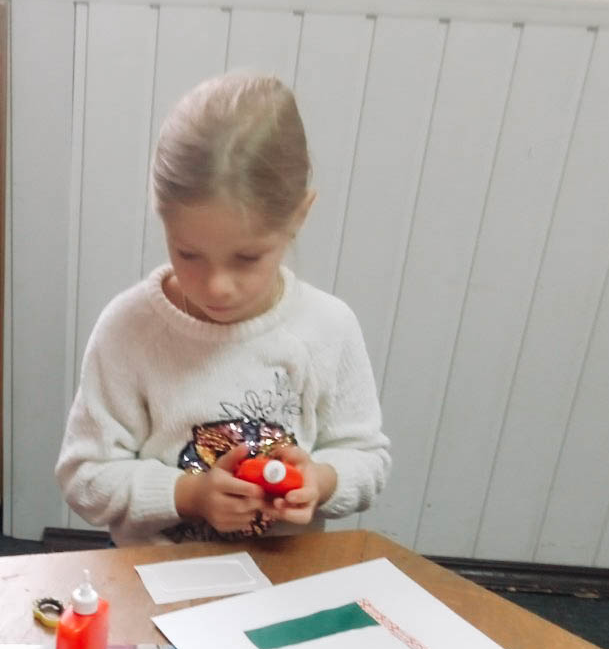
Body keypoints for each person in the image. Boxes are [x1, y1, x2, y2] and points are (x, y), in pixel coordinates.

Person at [56, 72, 390, 546]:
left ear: (299, 215)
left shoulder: (328, 329)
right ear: (161, 214)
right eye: (188, 254)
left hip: (284, 576)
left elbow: (368, 459)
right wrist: (188, 495)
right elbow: (84, 477)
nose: (217, 286)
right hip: (156, 574)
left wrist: (322, 480)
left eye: (247, 258)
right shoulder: (129, 328)